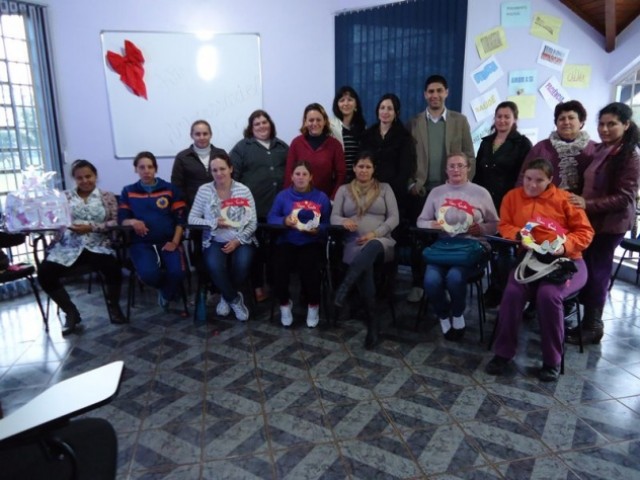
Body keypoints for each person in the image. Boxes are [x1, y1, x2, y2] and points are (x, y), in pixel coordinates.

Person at [486, 158, 594, 382]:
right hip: (530, 260)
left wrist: (564, 246)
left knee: (548, 295)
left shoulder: (565, 199)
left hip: (567, 262)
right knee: (512, 293)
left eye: (539, 180)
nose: (532, 185)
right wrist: (518, 235)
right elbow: (504, 225)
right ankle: (503, 353)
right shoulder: (512, 197)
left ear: (550, 180)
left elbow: (585, 232)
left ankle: (552, 360)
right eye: (528, 179)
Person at [566, 102, 640, 345]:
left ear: (626, 125)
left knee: (598, 271)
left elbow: (624, 197)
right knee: (588, 268)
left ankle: (593, 326)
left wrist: (586, 204)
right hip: (592, 222)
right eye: (602, 124)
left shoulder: (630, 155)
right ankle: (586, 320)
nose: (605, 129)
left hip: (609, 225)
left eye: (612, 124)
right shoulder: (602, 149)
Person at [406, 74, 475, 302]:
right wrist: (411, 184)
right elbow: (407, 158)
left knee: (449, 237)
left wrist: (462, 185)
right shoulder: (414, 122)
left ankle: (444, 284)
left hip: (451, 192)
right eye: (430, 91)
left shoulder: (459, 121)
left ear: (446, 93)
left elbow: (469, 156)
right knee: (419, 239)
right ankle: (418, 283)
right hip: (422, 192)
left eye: (439, 91)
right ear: (425, 95)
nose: (434, 95)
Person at [37, 159, 125, 335]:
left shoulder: (107, 196)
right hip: (68, 246)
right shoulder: (64, 197)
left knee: (113, 268)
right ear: (74, 179)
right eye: (80, 178)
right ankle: (71, 312)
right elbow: (55, 220)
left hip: (97, 244)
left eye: (88, 176)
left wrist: (92, 227)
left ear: (95, 176)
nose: (85, 181)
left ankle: (114, 306)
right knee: (45, 273)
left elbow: (116, 221)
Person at [416, 152, 498, 341]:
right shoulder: (436, 193)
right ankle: (443, 314)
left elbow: (495, 225)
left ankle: (458, 313)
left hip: (471, 246)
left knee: (455, 277)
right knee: (430, 280)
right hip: (444, 246)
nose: (456, 169)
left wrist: (481, 228)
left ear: (468, 168)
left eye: (460, 165)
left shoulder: (481, 193)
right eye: (451, 166)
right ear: (446, 170)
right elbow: (421, 221)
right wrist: (433, 225)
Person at [331, 152, 399, 349]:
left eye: (368, 167)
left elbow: (394, 217)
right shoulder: (344, 190)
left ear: (373, 169)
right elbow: (334, 217)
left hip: (382, 241)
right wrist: (344, 221)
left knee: (372, 246)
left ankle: (344, 287)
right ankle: (373, 322)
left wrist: (375, 233)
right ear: (354, 168)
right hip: (353, 242)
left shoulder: (385, 188)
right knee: (365, 262)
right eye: (360, 166)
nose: (364, 170)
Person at [474, 101, 532, 306]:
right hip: (486, 202)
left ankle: (501, 291)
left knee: (504, 249)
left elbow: (524, 177)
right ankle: (493, 285)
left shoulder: (522, 144)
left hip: (509, 203)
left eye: (507, 116)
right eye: (499, 116)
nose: (502, 120)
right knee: (490, 245)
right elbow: (478, 173)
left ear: (514, 119)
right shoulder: (486, 142)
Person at [188, 152, 257, 322]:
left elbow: (253, 222)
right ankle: (234, 299)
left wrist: (238, 241)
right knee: (214, 265)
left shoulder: (243, 190)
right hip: (214, 240)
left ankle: (226, 297)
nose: (219, 173)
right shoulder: (204, 190)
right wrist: (213, 222)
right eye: (214, 170)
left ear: (230, 169)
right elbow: (192, 219)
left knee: (242, 265)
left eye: (222, 169)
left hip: (241, 239)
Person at [230, 110, 289, 302]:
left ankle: (274, 283)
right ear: (251, 128)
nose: (262, 126)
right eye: (257, 124)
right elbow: (232, 177)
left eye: (265, 122)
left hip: (278, 212)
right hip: (252, 211)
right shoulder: (242, 147)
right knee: (255, 251)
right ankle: (257, 286)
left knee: (276, 252)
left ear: (270, 124)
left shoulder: (282, 147)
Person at [118, 151, 187, 311]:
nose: (146, 171)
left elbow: (180, 220)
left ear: (155, 168)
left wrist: (175, 242)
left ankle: (166, 293)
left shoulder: (170, 189)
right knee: (149, 275)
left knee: (178, 273)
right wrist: (133, 221)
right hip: (141, 243)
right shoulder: (128, 191)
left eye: (150, 167)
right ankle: (167, 288)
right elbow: (122, 219)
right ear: (136, 169)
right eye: (142, 167)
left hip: (168, 241)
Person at [267, 161, 331, 328]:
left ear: (311, 177)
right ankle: (284, 304)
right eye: (297, 174)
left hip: (311, 241)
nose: (301, 177)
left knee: (310, 266)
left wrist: (318, 230)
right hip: (287, 240)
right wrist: (284, 220)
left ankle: (313, 305)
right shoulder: (282, 196)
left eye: (304, 174)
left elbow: (327, 224)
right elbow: (271, 218)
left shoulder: (321, 197)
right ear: (291, 177)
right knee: (279, 266)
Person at [518, 100, 596, 194]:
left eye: (571, 118)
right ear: (556, 123)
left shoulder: (594, 149)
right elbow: (523, 177)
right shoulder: (541, 148)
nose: (566, 122)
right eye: (562, 119)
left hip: (584, 202)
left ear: (581, 122)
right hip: (544, 201)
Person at [360, 93, 415, 215]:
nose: (385, 112)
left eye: (390, 108)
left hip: (394, 192)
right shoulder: (367, 134)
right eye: (382, 108)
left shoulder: (404, 136)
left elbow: (405, 169)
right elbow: (362, 161)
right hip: (368, 189)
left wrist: (388, 191)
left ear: (396, 113)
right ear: (377, 111)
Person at [284, 103, 345, 199]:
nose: (315, 123)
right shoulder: (296, 143)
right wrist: (288, 198)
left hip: (325, 200)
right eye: (311, 120)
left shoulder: (335, 145)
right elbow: (289, 173)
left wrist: (334, 198)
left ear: (325, 121)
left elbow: (341, 174)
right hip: (299, 200)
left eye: (318, 120)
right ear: (305, 122)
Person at [171, 119, 227, 209]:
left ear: (211, 135)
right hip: (193, 208)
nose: (202, 137)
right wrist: (187, 204)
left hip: (220, 206)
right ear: (191, 136)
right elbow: (177, 185)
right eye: (197, 134)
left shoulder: (221, 154)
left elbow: (230, 178)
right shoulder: (182, 157)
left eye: (205, 134)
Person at [330, 86, 366, 183]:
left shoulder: (363, 127)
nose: (346, 103)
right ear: (337, 104)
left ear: (356, 104)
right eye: (342, 100)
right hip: (337, 178)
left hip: (358, 179)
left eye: (350, 100)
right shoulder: (330, 127)